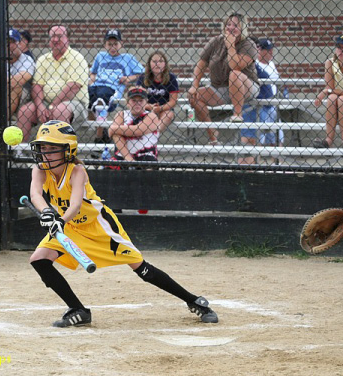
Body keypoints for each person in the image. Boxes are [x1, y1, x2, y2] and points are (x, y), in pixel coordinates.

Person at [27, 120, 219, 327]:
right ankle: (78, 310)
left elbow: (74, 205)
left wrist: (60, 220)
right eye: (43, 148)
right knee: (39, 259)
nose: (45, 154)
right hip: (71, 227)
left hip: (99, 226)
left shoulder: (77, 171)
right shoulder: (40, 169)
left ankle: (195, 301)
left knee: (141, 268)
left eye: (52, 148)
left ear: (68, 149)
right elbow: (35, 194)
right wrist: (47, 213)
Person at [188, 13, 260, 144]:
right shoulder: (216, 41)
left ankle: (237, 114)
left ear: (243, 28)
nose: (231, 28)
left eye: (235, 25)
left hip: (246, 87)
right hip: (220, 88)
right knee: (195, 96)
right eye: (228, 24)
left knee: (235, 74)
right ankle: (213, 135)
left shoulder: (249, 44)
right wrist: (194, 85)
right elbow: (201, 64)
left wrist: (231, 46)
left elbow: (235, 66)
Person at [16, 25, 89, 143]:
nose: (55, 39)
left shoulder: (77, 58)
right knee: (26, 110)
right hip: (46, 103)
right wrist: (40, 106)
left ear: (68, 39)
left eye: (59, 36)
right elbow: (37, 85)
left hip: (74, 103)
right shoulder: (43, 59)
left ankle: (60, 152)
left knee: (60, 110)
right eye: (52, 36)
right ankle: (19, 152)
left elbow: (73, 87)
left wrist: (52, 106)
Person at [88, 29, 144, 143]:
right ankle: (103, 131)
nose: (112, 47)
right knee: (87, 100)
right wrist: (92, 79)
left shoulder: (127, 58)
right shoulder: (100, 56)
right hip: (97, 85)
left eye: (115, 44)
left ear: (121, 44)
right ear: (105, 45)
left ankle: (98, 138)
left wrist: (128, 78)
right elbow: (93, 72)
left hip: (112, 88)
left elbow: (143, 73)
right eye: (109, 44)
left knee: (101, 100)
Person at [239, 38, 284, 164]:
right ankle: (252, 167)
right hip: (258, 106)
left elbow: (276, 85)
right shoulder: (255, 65)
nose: (271, 53)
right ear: (258, 50)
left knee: (276, 138)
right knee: (254, 140)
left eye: (271, 50)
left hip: (272, 106)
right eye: (267, 50)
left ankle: (278, 166)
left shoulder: (271, 64)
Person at [108, 86, 161, 166]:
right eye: (133, 100)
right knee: (116, 135)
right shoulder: (121, 114)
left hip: (146, 155)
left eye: (141, 100)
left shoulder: (151, 116)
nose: (137, 103)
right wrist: (128, 158)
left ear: (146, 102)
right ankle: (129, 160)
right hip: (123, 156)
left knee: (148, 169)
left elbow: (137, 131)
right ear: (127, 102)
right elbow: (114, 134)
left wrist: (113, 129)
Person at [136, 50, 179, 133]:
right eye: (154, 61)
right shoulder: (142, 78)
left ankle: (154, 134)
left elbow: (173, 101)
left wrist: (160, 108)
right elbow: (138, 99)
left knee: (168, 115)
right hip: (146, 108)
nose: (157, 64)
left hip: (164, 108)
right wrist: (150, 107)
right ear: (149, 63)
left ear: (165, 64)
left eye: (161, 61)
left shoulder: (171, 78)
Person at [8, 28, 35, 117]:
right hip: (1, 90)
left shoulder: (27, 59)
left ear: (20, 44)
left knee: (16, 87)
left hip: (21, 91)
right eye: (6, 41)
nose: (9, 45)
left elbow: (19, 81)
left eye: (13, 42)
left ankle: (4, 120)